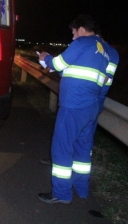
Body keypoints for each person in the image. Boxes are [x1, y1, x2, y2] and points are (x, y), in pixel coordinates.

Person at [37, 15, 110, 204]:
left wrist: (46, 58)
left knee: (62, 148)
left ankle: (61, 193)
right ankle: (81, 188)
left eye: (73, 32)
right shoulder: (104, 52)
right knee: (83, 149)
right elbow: (96, 79)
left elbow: (59, 64)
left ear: (82, 29)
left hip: (74, 105)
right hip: (91, 107)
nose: (72, 37)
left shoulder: (82, 43)